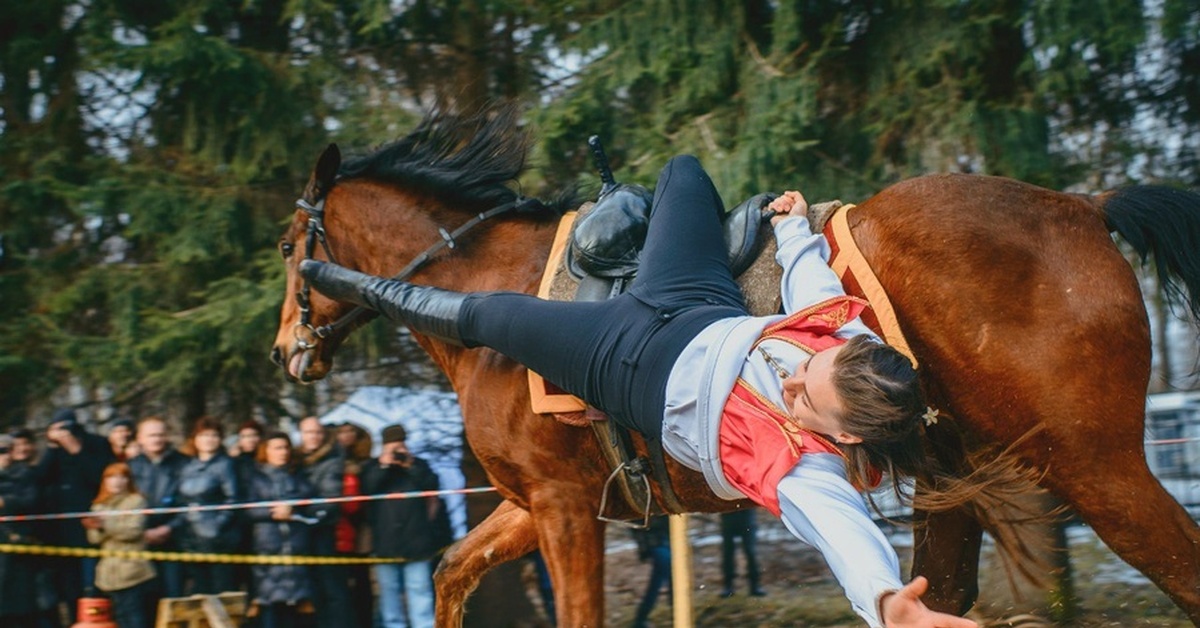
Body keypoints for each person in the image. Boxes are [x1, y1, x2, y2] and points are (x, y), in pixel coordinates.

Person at [299, 155, 977, 628]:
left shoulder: (806, 471)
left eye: (803, 394)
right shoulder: (839, 340)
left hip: (628, 363)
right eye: (807, 366)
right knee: (682, 171)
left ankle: (346, 285)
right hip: (697, 301)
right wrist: (794, 226)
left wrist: (890, 603)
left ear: (846, 436)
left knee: (484, 317)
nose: (793, 376)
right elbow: (814, 289)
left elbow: (848, 539)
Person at [35, 408, 115, 622]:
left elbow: (102, 478)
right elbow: (40, 479)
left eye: (66, 428)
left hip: (92, 527)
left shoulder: (96, 444)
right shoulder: (54, 451)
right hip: (62, 531)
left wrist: (76, 450)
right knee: (69, 588)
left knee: (94, 586)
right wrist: (52, 447)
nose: (63, 433)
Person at [360, 424, 441, 628]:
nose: (397, 452)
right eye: (392, 447)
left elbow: (432, 484)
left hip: (417, 543)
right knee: (389, 597)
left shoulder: (418, 465)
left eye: (400, 446)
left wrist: (410, 465)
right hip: (385, 544)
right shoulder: (372, 467)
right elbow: (366, 489)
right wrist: (384, 465)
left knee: (420, 593)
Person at [247, 432, 316, 628]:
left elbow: (311, 502)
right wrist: (272, 512)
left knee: (297, 611)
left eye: (285, 448)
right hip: (267, 551)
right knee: (270, 607)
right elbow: (247, 510)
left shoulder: (298, 476)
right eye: (277, 448)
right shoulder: (255, 478)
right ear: (265, 451)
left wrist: (293, 509)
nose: (282, 452)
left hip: (296, 552)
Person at [83, 463, 156, 628]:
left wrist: (105, 524)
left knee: (134, 616)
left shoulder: (137, 501)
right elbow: (94, 539)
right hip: (108, 572)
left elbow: (133, 531)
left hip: (133, 570)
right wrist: (96, 527)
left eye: (122, 477)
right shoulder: (98, 505)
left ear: (128, 480)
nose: (117, 482)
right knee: (118, 616)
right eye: (111, 477)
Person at [175, 417, 240, 594]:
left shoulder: (226, 465)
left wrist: (216, 526)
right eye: (204, 435)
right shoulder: (187, 466)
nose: (209, 439)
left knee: (221, 591)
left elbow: (233, 499)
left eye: (214, 435)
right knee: (198, 591)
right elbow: (180, 500)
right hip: (190, 539)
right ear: (195, 439)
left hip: (219, 540)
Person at [296, 417, 351, 627]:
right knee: (312, 589)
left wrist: (298, 510)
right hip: (301, 531)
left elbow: (329, 498)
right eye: (308, 432)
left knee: (332, 588)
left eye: (317, 432)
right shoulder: (297, 458)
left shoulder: (333, 459)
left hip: (323, 530)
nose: (313, 437)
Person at [127, 416, 188, 600]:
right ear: (140, 438)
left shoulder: (184, 464)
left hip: (175, 541)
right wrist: (141, 530)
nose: (157, 439)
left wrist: (169, 528)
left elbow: (189, 504)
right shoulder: (130, 467)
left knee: (173, 598)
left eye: (161, 435)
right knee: (145, 600)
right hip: (139, 542)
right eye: (151, 435)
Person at [334, 423, 374, 628]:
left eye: (349, 431)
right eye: (341, 431)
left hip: (361, 525)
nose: (345, 435)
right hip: (337, 526)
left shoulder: (366, 462)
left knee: (361, 580)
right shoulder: (332, 459)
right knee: (339, 582)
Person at [0, 434, 38, 627]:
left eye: (8, 450)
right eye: (1, 451)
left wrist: (6, 502)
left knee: (21, 608)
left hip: (18, 548)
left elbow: (32, 501)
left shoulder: (23, 474)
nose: (5, 455)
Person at [630, 516, 671, 628]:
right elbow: (638, 525)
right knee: (666, 568)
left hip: (664, 540)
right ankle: (641, 618)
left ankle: (641, 618)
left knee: (664, 576)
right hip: (652, 542)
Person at [720, 509, 764, 597]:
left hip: (747, 515)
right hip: (728, 515)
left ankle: (755, 586)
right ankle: (728, 587)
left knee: (750, 551)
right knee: (728, 552)